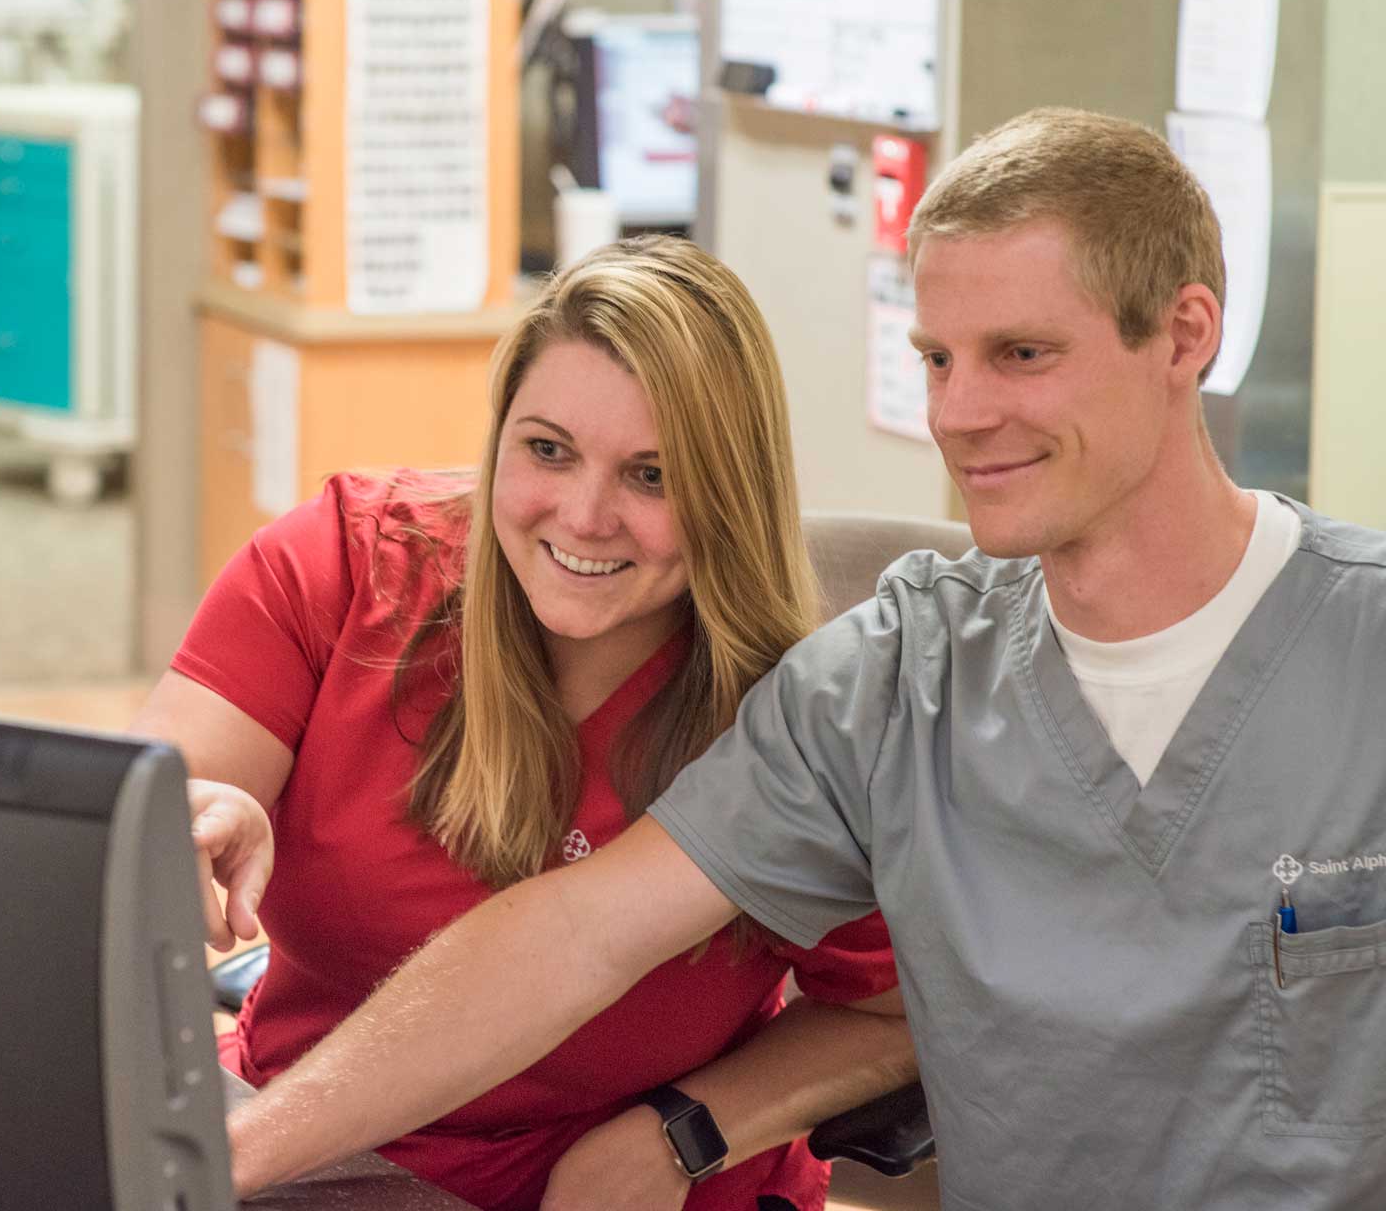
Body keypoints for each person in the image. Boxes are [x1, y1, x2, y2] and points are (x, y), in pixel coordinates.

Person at [226, 106, 1386, 1211]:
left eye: (1021, 353)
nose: (961, 412)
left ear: (1182, 335)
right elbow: (567, 936)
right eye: (938, 359)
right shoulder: (884, 687)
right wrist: (218, 1159)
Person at [130, 235, 915, 1211]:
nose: (583, 516)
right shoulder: (349, 563)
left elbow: (893, 1012)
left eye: (651, 475)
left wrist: (682, 1132)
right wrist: (190, 817)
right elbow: (135, 821)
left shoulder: (793, 722)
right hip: (292, 1141)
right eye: (547, 450)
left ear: (727, 497)